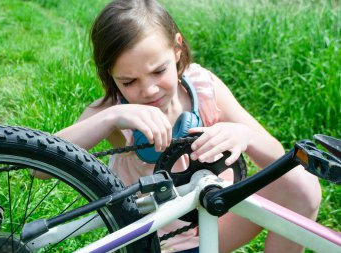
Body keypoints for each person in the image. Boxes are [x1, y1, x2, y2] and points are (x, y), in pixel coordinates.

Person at [56, 0, 322, 252]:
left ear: (177, 48)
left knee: (302, 185)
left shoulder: (203, 88)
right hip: (157, 244)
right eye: (128, 82)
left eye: (159, 71)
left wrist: (245, 135)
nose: (148, 90)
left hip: (217, 220)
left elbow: (276, 156)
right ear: (110, 77)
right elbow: (40, 167)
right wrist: (110, 117)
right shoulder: (114, 109)